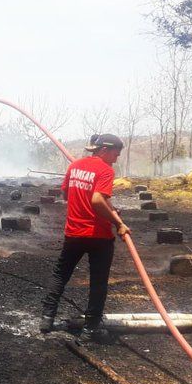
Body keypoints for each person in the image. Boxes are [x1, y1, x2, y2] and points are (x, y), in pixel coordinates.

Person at [39, 134, 131, 341]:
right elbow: (98, 200)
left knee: (61, 274)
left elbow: (66, 194)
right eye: (117, 151)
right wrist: (118, 223)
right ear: (105, 150)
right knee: (98, 282)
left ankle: (47, 317)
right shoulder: (106, 170)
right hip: (98, 235)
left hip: (74, 232)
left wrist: (110, 210)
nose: (117, 157)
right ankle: (91, 328)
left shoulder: (75, 167)